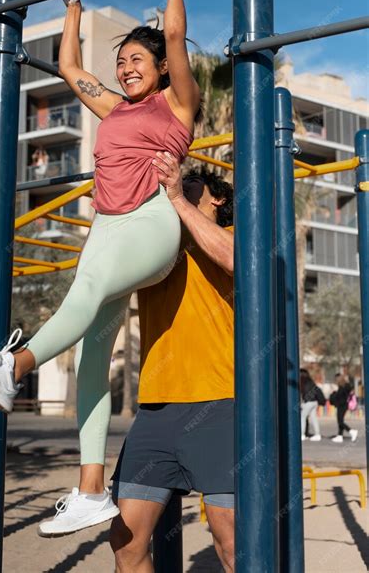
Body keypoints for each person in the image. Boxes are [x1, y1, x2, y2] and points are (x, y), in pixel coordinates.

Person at [0, 0, 200, 533]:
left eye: (139, 58)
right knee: (92, 356)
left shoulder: (177, 104)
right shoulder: (113, 108)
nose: (128, 67)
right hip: (109, 229)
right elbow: (68, 67)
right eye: (124, 61)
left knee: (84, 286)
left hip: (151, 224)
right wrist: (73, 8)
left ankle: (13, 366)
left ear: (162, 68)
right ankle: (91, 490)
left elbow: (179, 36)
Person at [110, 155, 235, 573]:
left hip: (219, 404)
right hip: (156, 412)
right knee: (125, 544)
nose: (177, 184)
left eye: (193, 183)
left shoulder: (233, 235)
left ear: (216, 199)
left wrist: (179, 198)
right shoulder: (157, 252)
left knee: (233, 543)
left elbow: (237, 260)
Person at [330, 373, 358, 443]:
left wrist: (334, 392)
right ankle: (340, 436)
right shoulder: (346, 385)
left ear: (338, 379)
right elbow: (350, 392)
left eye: (336, 379)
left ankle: (351, 431)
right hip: (343, 405)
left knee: (340, 421)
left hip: (341, 405)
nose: (335, 381)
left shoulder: (342, 387)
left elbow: (339, 396)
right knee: (340, 421)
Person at [299, 369, 323, 442]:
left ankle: (302, 434)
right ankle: (317, 434)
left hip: (308, 402)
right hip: (315, 402)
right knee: (314, 418)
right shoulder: (311, 382)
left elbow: (304, 394)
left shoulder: (303, 382)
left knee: (302, 417)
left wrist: (303, 401)